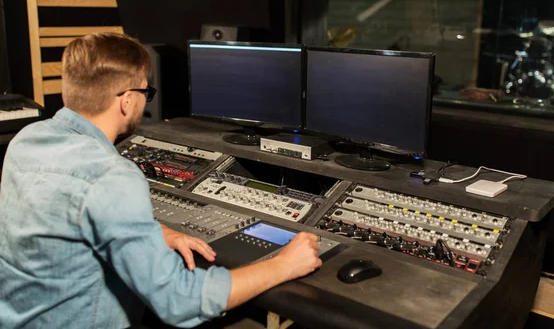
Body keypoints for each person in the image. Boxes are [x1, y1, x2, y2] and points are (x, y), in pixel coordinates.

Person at [0, 33, 322, 328]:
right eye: (145, 91)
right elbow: (178, 301)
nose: (145, 100)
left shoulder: (26, 141)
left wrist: (156, 233)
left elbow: (66, 220)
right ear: (126, 101)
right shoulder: (113, 176)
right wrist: (284, 264)